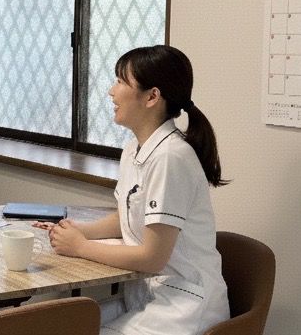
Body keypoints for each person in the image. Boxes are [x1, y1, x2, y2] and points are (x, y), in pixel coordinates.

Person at [41, 45, 229, 334]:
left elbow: (153, 257)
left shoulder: (171, 157)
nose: (111, 91)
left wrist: (80, 247)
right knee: (60, 325)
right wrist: (76, 231)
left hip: (183, 305)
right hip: (146, 294)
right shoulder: (133, 149)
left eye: (120, 81)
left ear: (152, 96)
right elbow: (127, 217)